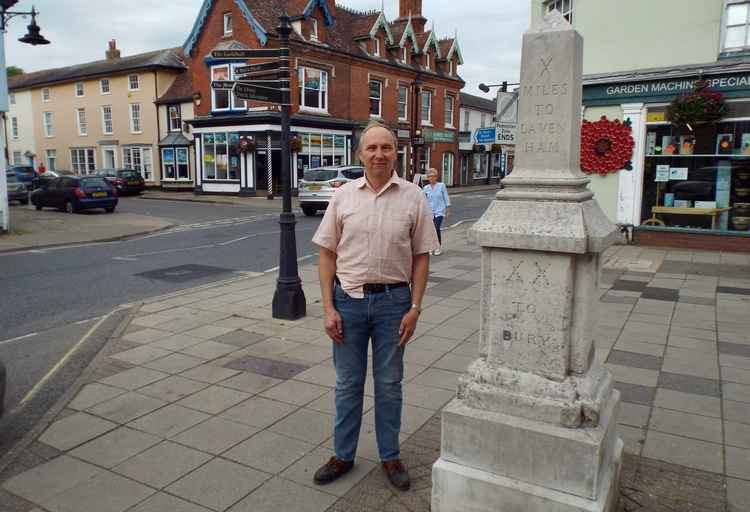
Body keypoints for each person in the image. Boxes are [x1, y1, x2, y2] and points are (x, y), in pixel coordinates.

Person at [311, 121, 438, 491]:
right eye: (372, 148)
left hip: (394, 304)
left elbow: (422, 257)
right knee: (348, 384)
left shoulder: (414, 196)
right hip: (347, 303)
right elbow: (326, 254)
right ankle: (343, 455)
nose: (379, 154)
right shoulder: (343, 196)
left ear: (395, 152)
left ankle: (390, 455)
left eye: (386, 147)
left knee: (389, 384)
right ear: (360, 154)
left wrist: (415, 307)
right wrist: (327, 309)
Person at [422, 168, 451, 255]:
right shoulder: (426, 188)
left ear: (436, 177)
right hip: (429, 212)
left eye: (433, 176)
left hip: (439, 211)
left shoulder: (441, 185)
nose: (431, 178)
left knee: (436, 227)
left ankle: (437, 247)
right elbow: (423, 200)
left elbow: (446, 197)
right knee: (431, 229)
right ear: (428, 178)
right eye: (430, 176)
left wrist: (448, 208)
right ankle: (431, 247)